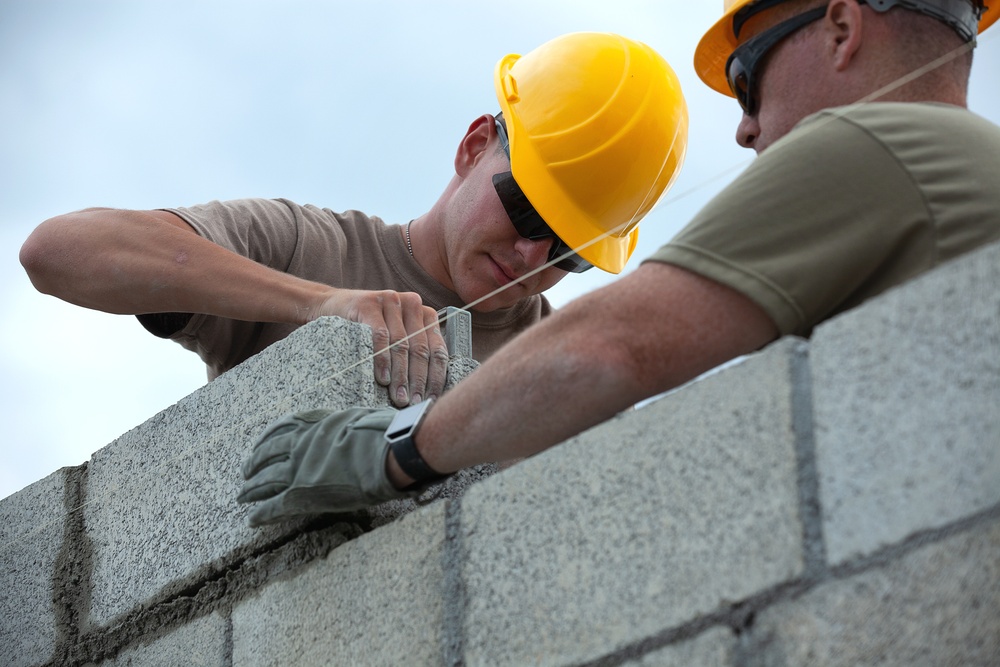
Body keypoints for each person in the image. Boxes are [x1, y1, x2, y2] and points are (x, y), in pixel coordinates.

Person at [237, 0, 1000, 526]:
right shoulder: (961, 167)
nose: (743, 128)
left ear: (841, 25)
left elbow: (611, 347)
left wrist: (392, 447)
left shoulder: (872, 146)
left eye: (747, 77)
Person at [18, 32, 688, 409]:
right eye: (524, 208)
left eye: (567, 253)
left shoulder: (566, 365)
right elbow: (56, 252)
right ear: (474, 145)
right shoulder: (309, 249)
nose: (529, 254)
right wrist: (324, 303)